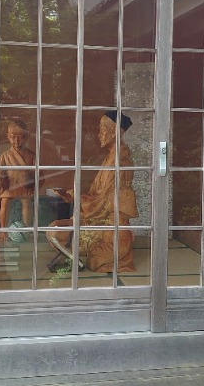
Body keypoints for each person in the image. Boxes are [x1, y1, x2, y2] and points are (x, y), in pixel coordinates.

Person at [47, 111, 138, 273]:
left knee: (55, 231)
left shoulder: (120, 161)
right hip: (99, 219)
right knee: (54, 227)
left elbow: (102, 201)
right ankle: (73, 261)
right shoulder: (110, 157)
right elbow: (97, 194)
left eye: (102, 130)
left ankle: (80, 261)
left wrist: (77, 197)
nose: (99, 135)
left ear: (115, 131)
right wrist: (70, 195)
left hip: (108, 227)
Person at [0, 120, 38, 243]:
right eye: (13, 138)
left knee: (26, 204)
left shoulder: (31, 155)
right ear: (8, 137)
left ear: (26, 138)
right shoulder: (5, 155)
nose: (16, 141)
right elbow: (0, 172)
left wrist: (33, 186)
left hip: (24, 186)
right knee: (4, 204)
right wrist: (1, 182)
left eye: (20, 138)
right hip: (9, 186)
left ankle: (26, 229)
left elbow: (38, 174)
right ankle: (3, 231)